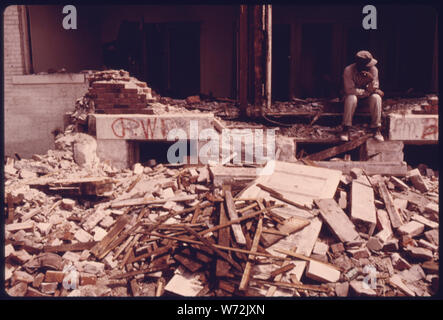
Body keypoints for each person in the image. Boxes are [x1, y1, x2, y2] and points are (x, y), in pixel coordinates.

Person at [340, 50, 384, 142]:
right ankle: (346, 128)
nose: (370, 66)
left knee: (376, 98)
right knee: (351, 98)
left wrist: (370, 86)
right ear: (360, 66)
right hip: (353, 97)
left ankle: (376, 128)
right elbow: (349, 90)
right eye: (368, 65)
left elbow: (373, 89)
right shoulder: (348, 70)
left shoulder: (373, 69)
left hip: (367, 97)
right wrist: (366, 91)